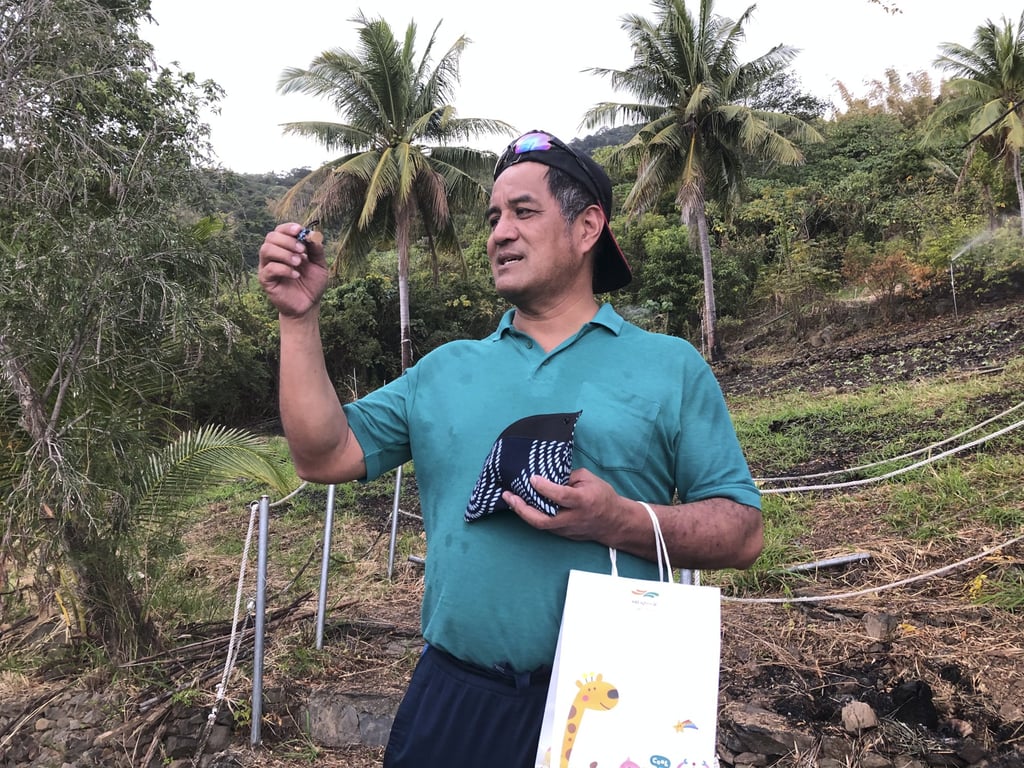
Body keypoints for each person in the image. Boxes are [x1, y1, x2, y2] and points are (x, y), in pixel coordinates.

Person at [258, 129, 763, 768]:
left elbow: (742, 533)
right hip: (455, 698)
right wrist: (299, 320)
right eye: (494, 216)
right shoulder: (444, 370)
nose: (499, 232)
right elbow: (322, 455)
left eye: (524, 212)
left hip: (613, 702)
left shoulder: (669, 366)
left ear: (587, 228)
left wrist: (621, 521)